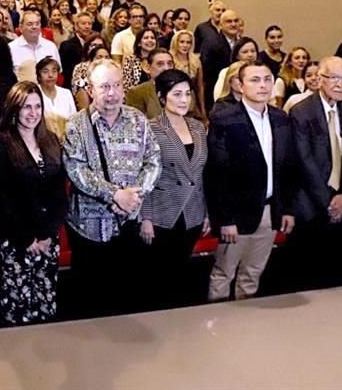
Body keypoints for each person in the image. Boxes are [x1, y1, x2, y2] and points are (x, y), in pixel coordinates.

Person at [63, 59, 160, 317]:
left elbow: (153, 160)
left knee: (126, 295)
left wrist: (135, 195)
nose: (112, 93)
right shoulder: (76, 125)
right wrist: (115, 194)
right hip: (88, 229)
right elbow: (76, 169)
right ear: (91, 90)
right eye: (104, 86)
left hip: (128, 224)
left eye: (116, 85)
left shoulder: (138, 120)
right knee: (90, 300)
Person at [205, 61, 295, 301]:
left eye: (267, 79)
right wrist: (224, 219)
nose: (263, 85)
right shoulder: (225, 119)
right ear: (240, 85)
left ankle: (245, 325)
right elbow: (216, 173)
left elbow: (286, 167)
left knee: (253, 272)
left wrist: (285, 208)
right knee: (224, 272)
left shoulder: (281, 118)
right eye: (255, 80)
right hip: (235, 214)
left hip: (268, 210)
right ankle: (218, 326)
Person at [0, 82, 68, 325]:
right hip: (16, 238)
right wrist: (27, 238)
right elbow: (1, 197)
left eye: (37, 106)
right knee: (17, 307)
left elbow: (59, 193)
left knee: (46, 302)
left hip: (47, 238)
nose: (33, 113)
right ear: (13, 109)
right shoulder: (0, 145)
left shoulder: (51, 140)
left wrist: (47, 234)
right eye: (26, 107)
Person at [289, 56, 342, 291]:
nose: (340, 84)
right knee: (308, 271)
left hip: (340, 200)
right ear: (320, 79)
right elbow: (305, 161)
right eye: (334, 78)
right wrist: (328, 202)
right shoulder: (302, 111)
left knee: (337, 272)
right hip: (311, 203)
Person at [141, 69, 208, 309]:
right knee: (160, 277)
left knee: (183, 273)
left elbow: (200, 174)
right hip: (162, 214)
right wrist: (145, 217)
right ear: (161, 97)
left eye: (187, 94)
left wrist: (206, 213)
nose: (183, 100)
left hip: (193, 213)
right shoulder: (151, 128)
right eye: (176, 94)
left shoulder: (198, 127)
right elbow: (145, 176)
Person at [199, 8, 240, 110]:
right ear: (221, 25)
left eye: (236, 21)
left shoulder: (242, 43)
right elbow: (206, 75)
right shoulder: (211, 43)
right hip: (218, 94)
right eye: (229, 21)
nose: (233, 24)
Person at [9, 10, 61, 83]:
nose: (34, 27)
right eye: (30, 24)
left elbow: (59, 73)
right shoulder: (11, 48)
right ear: (20, 28)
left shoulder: (50, 46)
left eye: (37, 24)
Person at [124, 49, 175, 119]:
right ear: (148, 68)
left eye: (169, 64)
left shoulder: (184, 88)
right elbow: (136, 123)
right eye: (160, 64)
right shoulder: (137, 92)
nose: (166, 68)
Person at [169, 29, 206, 121]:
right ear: (175, 42)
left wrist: (203, 110)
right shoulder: (169, 59)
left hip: (191, 105)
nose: (185, 45)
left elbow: (200, 87)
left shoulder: (195, 61)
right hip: (172, 103)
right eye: (182, 42)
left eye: (188, 42)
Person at [36, 57, 76, 139]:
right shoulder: (34, 93)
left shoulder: (66, 93)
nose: (50, 75)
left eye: (54, 71)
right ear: (39, 76)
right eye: (45, 71)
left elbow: (74, 121)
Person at [212, 37, 260, 102]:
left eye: (253, 51)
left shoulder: (263, 72)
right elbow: (218, 96)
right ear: (237, 55)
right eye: (245, 52)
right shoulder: (226, 72)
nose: (250, 55)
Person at [70, 35, 109, 111]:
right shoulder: (81, 68)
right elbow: (81, 92)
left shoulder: (112, 71)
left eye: (100, 45)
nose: (103, 60)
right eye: (94, 45)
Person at [60, 12, 97, 86]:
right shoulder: (67, 45)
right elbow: (66, 72)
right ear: (76, 26)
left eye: (89, 24)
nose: (87, 26)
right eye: (83, 23)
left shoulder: (96, 44)